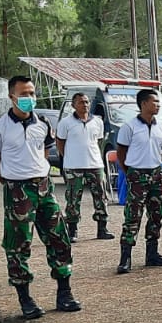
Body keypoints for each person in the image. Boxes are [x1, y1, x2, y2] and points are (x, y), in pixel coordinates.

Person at [0, 75, 81, 318]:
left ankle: (64, 293)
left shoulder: (43, 124)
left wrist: (40, 175)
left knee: (59, 238)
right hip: (18, 190)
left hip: (45, 187)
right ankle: (25, 298)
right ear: (12, 97)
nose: (29, 98)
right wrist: (10, 182)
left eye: (32, 93)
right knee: (18, 245)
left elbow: (44, 153)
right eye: (24, 94)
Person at [115, 89, 162, 273]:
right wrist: (130, 172)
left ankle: (152, 254)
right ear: (143, 104)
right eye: (154, 102)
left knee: (157, 214)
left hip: (156, 174)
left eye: (158, 102)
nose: (157, 105)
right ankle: (125, 258)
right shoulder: (129, 127)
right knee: (133, 216)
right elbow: (121, 153)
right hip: (137, 175)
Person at [56, 92, 114, 242]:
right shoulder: (66, 123)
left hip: (95, 165)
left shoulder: (97, 122)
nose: (85, 105)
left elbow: (99, 142)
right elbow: (60, 143)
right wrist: (68, 157)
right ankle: (73, 230)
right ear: (73, 105)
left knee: (101, 196)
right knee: (73, 198)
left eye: (87, 102)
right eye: (81, 102)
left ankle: (102, 228)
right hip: (74, 166)